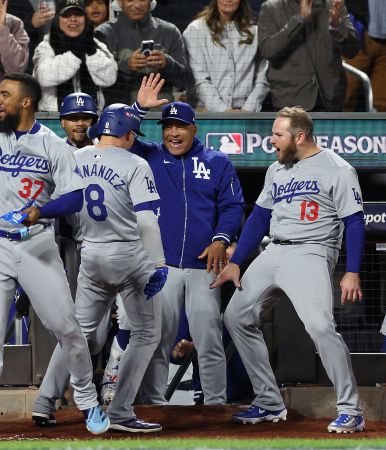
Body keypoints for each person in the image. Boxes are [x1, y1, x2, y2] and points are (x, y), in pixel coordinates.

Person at [0, 25, 110, 441]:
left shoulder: (53, 146)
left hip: (36, 244)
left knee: (67, 328)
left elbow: (76, 198)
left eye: (5, 95)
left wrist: (40, 211)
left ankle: (87, 401)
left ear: (25, 103)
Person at [211, 106, 366, 433]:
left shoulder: (337, 169)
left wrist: (352, 270)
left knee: (320, 326)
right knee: (235, 316)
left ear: (300, 136)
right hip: (273, 250)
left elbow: (354, 221)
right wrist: (237, 262)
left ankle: (350, 409)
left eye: (278, 134)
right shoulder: (275, 170)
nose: (272, 141)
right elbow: (258, 217)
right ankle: (268, 401)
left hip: (311, 252)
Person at [32, 94, 170, 433]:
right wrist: (159, 264)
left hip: (89, 255)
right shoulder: (135, 163)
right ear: (129, 134)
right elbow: (148, 223)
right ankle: (121, 410)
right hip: (128, 254)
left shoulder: (74, 157)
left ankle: (44, 401)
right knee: (147, 332)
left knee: (75, 332)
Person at [120, 98, 244, 406]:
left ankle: (215, 403)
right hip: (163, 266)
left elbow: (232, 206)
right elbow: (120, 137)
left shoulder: (217, 161)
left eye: (180, 126)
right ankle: (155, 404)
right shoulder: (148, 156)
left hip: (205, 266)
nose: (173, 133)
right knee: (158, 338)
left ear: (194, 128)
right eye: (167, 126)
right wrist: (137, 108)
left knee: (209, 338)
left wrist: (221, 238)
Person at [257, 0, 360, 111]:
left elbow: (352, 50)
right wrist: (298, 20)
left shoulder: (333, 4)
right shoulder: (271, 8)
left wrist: (337, 25)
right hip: (290, 104)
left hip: (331, 101)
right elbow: (268, 51)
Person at [95, 0, 189, 105]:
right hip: (119, 113)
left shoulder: (170, 32)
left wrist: (167, 63)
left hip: (160, 114)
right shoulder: (104, 33)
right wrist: (126, 66)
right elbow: (97, 80)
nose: (137, 5)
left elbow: (184, 81)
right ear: (120, 2)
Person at [183, 0, 269, 112]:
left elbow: (263, 77)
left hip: (245, 112)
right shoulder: (196, 30)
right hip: (207, 112)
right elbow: (200, 79)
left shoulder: (255, 32)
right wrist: (224, 111)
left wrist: (248, 110)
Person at [33, 0, 118, 111]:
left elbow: (109, 78)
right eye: (66, 15)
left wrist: (91, 51)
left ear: (85, 19)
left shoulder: (97, 45)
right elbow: (44, 77)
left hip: (92, 115)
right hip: (55, 118)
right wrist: (76, 54)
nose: (73, 19)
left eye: (78, 14)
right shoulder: (45, 46)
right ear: (58, 20)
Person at [343, 0, 386, 112]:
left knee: (384, 103)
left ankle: (379, 129)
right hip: (360, 38)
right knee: (347, 96)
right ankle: (339, 128)